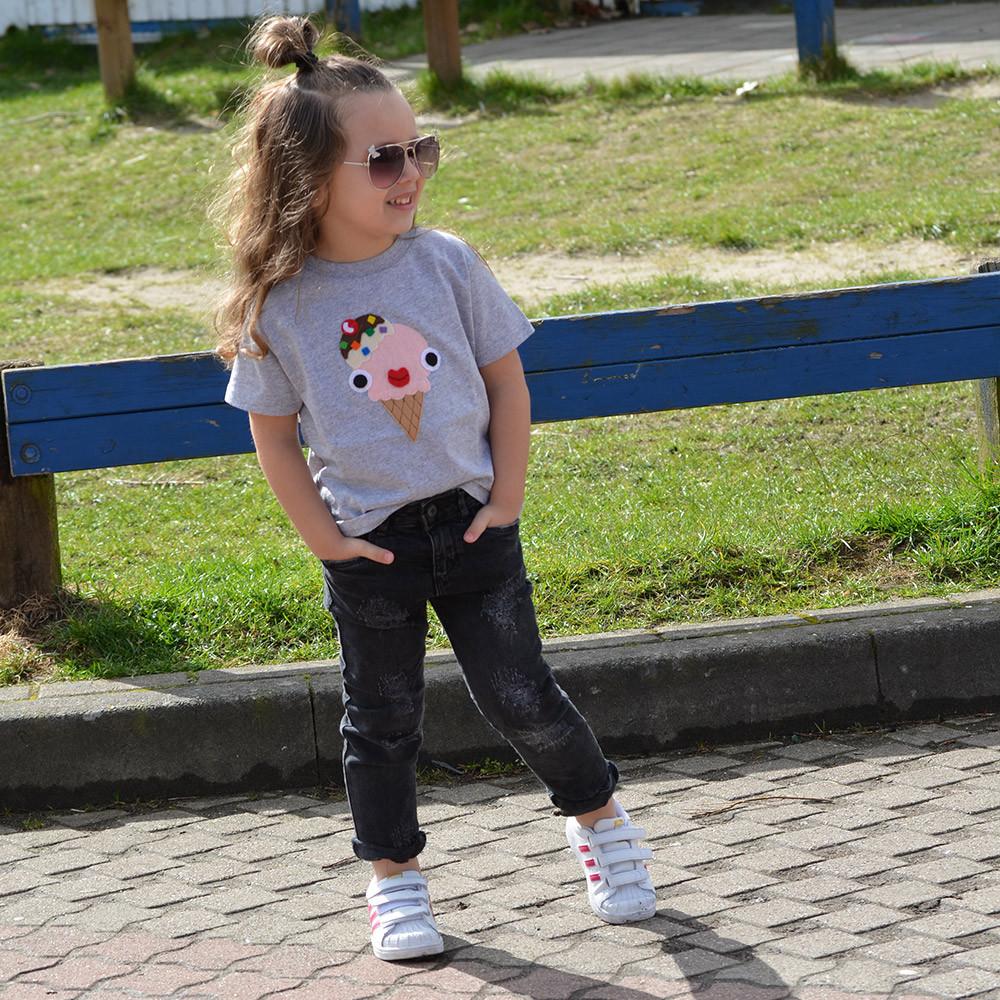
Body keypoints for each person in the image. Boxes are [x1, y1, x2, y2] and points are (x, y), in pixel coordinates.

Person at [212, 12, 656, 963]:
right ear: (308, 178)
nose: (408, 173)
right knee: (380, 723)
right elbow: (273, 436)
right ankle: (395, 885)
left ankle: (601, 822)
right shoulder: (281, 302)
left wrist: (507, 499)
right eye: (382, 160)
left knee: (524, 698)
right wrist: (324, 542)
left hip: (472, 526)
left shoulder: (446, 262)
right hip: (369, 544)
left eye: (420, 149)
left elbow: (506, 381)